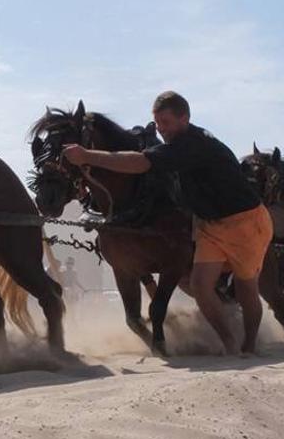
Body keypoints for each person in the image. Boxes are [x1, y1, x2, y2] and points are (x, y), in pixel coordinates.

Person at [62, 91, 273, 354]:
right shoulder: (179, 144)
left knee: (246, 288)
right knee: (199, 286)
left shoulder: (191, 144)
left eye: (166, 123)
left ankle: (249, 345)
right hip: (210, 225)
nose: (161, 130)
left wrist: (88, 156)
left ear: (184, 118)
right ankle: (230, 343)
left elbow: (141, 163)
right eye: (158, 123)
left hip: (245, 222)